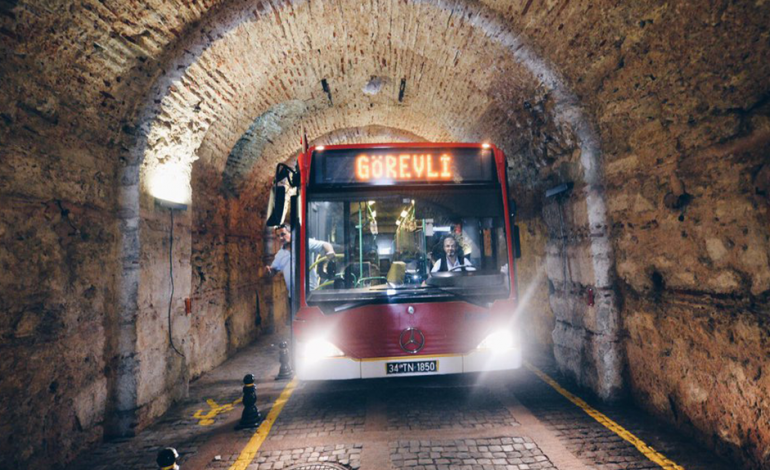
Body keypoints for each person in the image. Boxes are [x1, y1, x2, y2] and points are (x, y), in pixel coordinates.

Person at [266, 225, 336, 296]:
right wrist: (269, 271)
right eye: (278, 236)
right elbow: (273, 270)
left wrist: (330, 252)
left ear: (291, 233)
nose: (280, 238)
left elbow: (325, 244)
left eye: (283, 234)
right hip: (293, 296)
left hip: (310, 293)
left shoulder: (303, 243)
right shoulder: (280, 254)